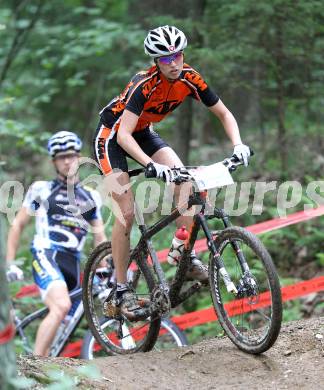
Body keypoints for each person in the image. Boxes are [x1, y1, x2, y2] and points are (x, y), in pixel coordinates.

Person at [94, 25, 251, 320]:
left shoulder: (190, 78)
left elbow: (224, 113)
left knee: (186, 182)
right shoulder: (143, 84)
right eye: (166, 59)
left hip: (144, 133)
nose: (174, 63)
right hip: (112, 137)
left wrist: (238, 144)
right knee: (126, 212)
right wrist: (153, 166)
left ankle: (181, 249)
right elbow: (124, 136)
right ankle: (119, 289)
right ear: (156, 61)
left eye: (177, 55)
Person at [6, 131, 106, 356]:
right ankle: (34, 369)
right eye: (61, 157)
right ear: (54, 162)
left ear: (79, 157)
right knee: (60, 306)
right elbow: (18, 225)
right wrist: (10, 263)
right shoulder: (42, 189)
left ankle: (46, 369)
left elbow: (100, 237)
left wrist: (106, 268)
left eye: (71, 155)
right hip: (46, 255)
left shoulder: (90, 197)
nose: (67, 161)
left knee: (64, 329)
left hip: (74, 263)